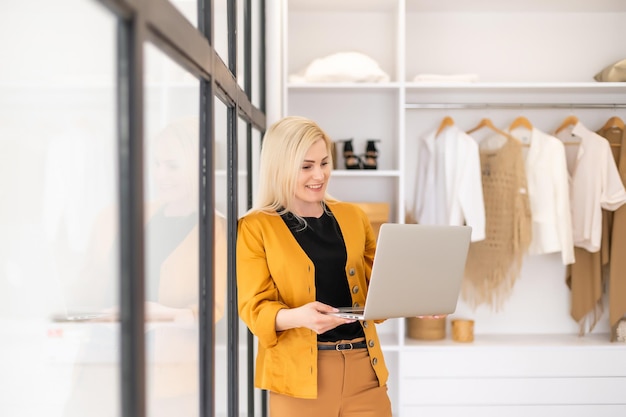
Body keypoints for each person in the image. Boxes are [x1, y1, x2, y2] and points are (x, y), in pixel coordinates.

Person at [236, 116, 393, 417]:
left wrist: (419, 300)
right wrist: (300, 317)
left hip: (366, 374)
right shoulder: (256, 227)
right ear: (280, 168)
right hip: (298, 383)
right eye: (306, 166)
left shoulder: (353, 217)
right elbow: (254, 310)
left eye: (324, 162)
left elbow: (380, 291)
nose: (319, 175)